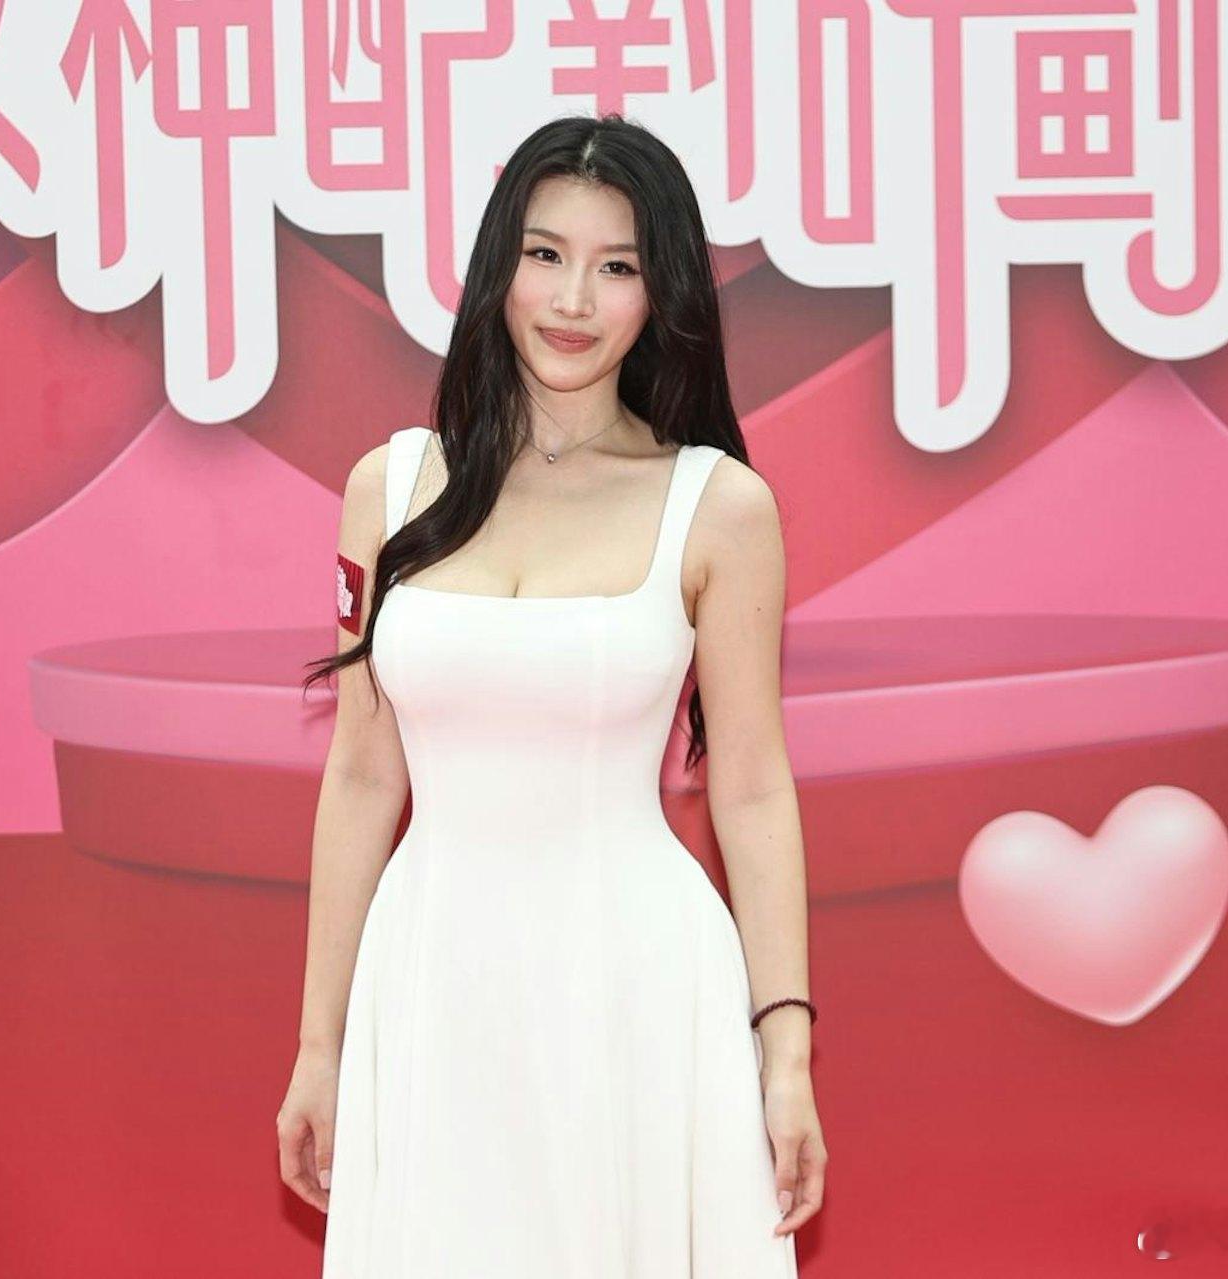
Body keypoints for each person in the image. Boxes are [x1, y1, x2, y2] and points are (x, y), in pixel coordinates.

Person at [279, 112, 825, 1276]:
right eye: (545, 254)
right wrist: (320, 1045)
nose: (573, 299)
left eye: (617, 266)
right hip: (433, 978)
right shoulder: (390, 489)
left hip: (634, 985)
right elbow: (364, 776)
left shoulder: (719, 507)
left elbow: (753, 789)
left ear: (660, 293)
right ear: (499, 267)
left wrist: (785, 1052)